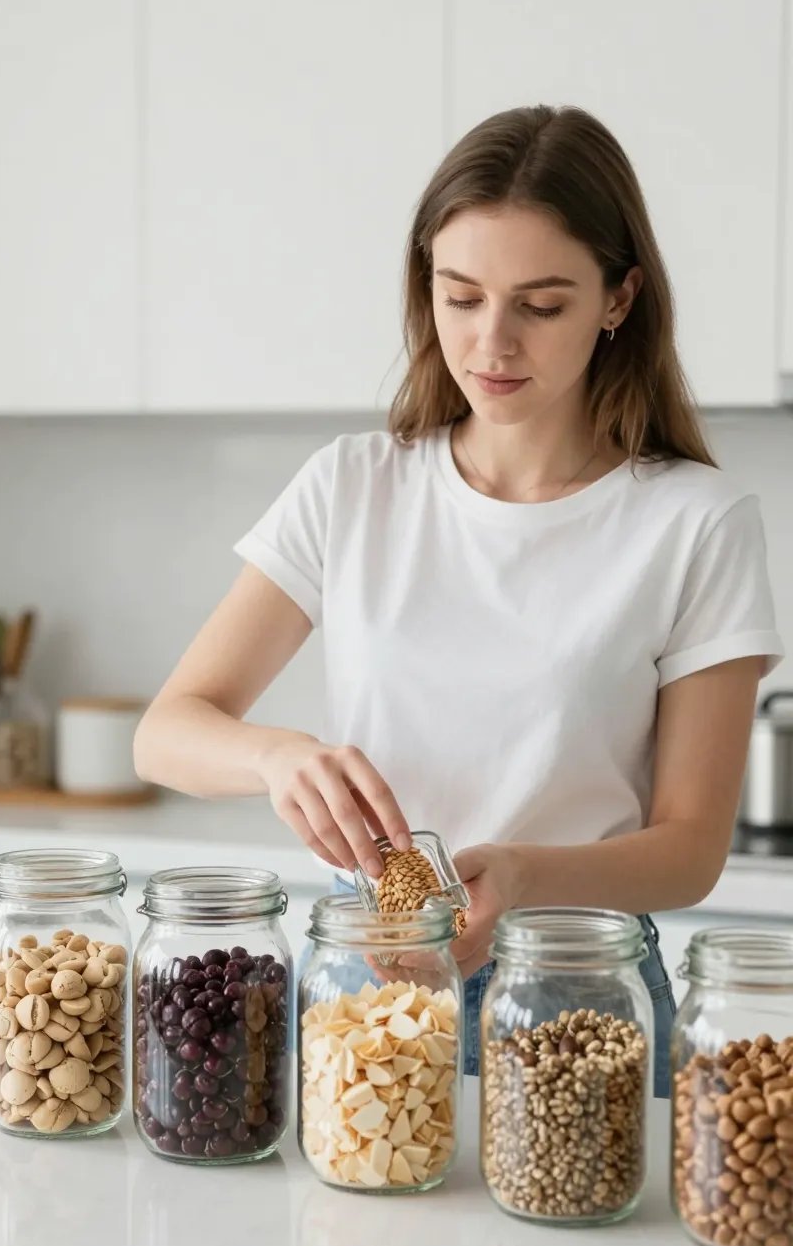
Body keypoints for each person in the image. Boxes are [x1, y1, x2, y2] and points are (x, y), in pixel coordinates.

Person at [134, 104, 784, 1098]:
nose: (491, 342)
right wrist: (278, 757)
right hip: (367, 980)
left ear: (618, 298)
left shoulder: (694, 523)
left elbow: (687, 851)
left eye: (541, 303)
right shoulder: (351, 485)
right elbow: (167, 733)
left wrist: (521, 878)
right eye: (460, 295)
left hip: (575, 989)